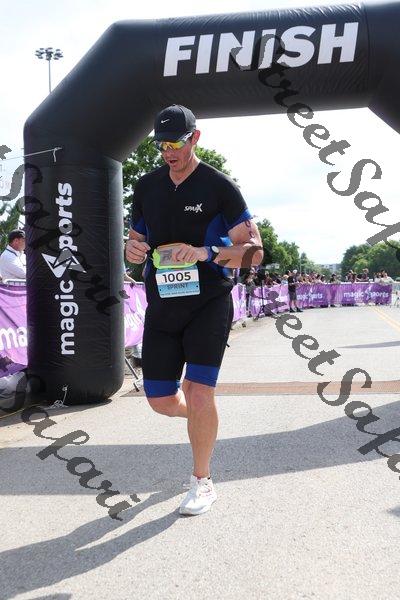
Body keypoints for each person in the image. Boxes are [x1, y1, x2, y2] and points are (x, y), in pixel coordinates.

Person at [125, 104, 263, 516]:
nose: (168, 152)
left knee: (199, 390)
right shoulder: (146, 187)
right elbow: (136, 241)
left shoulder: (220, 187)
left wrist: (206, 251)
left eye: (176, 143)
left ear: (195, 138)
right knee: (161, 400)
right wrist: (132, 250)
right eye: (162, 145)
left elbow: (255, 253)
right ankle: (202, 421)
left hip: (208, 304)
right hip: (163, 306)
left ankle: (202, 481)